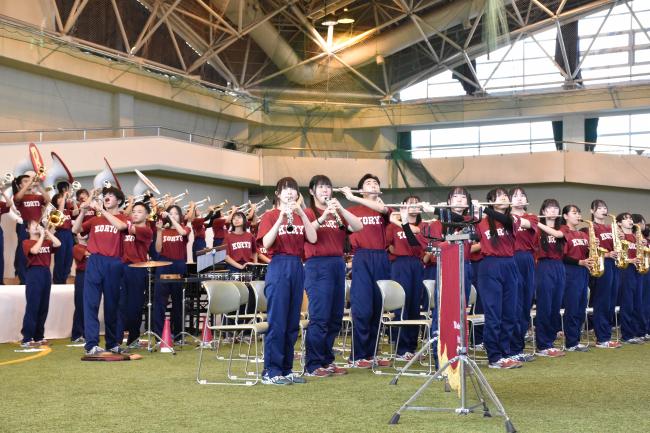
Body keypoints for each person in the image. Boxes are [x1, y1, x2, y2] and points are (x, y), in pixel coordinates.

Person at [256, 177, 317, 385]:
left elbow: (313, 238)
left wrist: (301, 213)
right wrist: (281, 217)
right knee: (278, 320)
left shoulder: (302, 215)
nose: (290, 192)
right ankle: (271, 370)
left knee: (292, 321)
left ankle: (286, 368)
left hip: (298, 265)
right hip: (279, 265)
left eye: (293, 189)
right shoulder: (270, 215)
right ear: (278, 194)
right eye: (285, 189)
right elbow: (266, 242)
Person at [303, 175, 362, 378]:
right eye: (320, 187)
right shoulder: (307, 212)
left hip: (337, 264)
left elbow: (357, 227)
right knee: (320, 317)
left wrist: (341, 209)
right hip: (317, 265)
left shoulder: (337, 212)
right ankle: (313, 364)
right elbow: (306, 232)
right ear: (312, 191)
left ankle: (327, 360)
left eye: (328, 187)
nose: (325, 191)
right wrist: (322, 217)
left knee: (335, 317)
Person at [475, 188, 532, 369]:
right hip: (490, 266)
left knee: (510, 313)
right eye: (499, 196)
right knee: (494, 313)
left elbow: (506, 220)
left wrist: (484, 208)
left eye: (505, 196)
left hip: (510, 264)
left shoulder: (512, 219)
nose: (504, 198)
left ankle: (506, 353)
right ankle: (494, 356)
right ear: (491, 200)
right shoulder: (481, 222)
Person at [339, 174, 392, 369]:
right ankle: (358, 355)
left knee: (378, 307)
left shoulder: (383, 210)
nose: (372, 185)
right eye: (368, 183)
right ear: (361, 189)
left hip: (381, 258)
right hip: (362, 257)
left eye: (376, 183)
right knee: (362, 308)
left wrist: (352, 196)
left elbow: (383, 209)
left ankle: (371, 354)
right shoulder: (352, 210)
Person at [72, 186, 128, 355]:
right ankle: (91, 344)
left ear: (118, 201)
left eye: (111, 195)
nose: (107, 197)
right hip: (95, 261)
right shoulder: (95, 220)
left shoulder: (123, 217)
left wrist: (102, 211)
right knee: (91, 304)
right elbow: (75, 230)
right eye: (105, 195)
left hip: (114, 263)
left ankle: (112, 343)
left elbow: (120, 226)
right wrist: (83, 211)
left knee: (112, 305)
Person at [386, 196, 426, 361]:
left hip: (416, 264)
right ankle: (401, 348)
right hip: (400, 264)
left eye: (417, 202)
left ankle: (411, 346)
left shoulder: (423, 226)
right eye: (410, 203)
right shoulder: (392, 227)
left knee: (415, 305)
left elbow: (419, 244)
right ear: (403, 206)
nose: (414, 205)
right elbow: (388, 244)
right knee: (402, 304)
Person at [508, 187, 538, 363]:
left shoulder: (531, 217)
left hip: (527, 260)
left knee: (525, 304)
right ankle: (510, 348)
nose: (519, 199)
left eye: (522, 196)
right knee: (513, 304)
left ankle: (517, 347)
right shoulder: (503, 219)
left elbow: (524, 224)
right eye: (515, 196)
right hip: (510, 258)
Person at [20, 220, 61, 347]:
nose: (37, 226)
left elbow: (58, 243)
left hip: (45, 273)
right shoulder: (26, 242)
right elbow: (35, 251)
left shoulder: (47, 242)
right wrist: (42, 236)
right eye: (33, 225)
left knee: (43, 307)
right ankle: (27, 338)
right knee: (33, 306)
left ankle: (38, 336)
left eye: (38, 224)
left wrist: (47, 232)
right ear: (27, 230)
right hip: (34, 273)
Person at [153, 205, 191, 342]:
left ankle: (179, 335)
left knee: (178, 303)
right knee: (159, 303)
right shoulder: (164, 231)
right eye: (170, 213)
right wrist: (158, 231)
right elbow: (158, 249)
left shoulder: (185, 227)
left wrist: (170, 218)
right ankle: (159, 336)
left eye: (176, 213)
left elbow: (182, 232)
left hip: (178, 265)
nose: (172, 215)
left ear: (180, 216)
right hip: (163, 265)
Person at [534, 199, 566, 357]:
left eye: (555, 208)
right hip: (544, 266)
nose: (553, 210)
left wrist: (536, 222)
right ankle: (543, 344)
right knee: (545, 306)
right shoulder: (536, 230)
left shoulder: (563, 228)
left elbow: (558, 235)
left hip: (559, 266)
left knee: (555, 306)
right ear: (543, 211)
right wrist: (535, 223)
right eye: (549, 208)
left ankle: (550, 341)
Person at [119, 201, 153, 349]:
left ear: (147, 215)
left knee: (134, 307)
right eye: (133, 211)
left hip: (137, 269)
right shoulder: (124, 228)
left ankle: (133, 339)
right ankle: (116, 340)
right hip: (121, 268)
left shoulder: (146, 230)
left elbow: (130, 228)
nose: (135, 213)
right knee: (119, 305)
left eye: (139, 211)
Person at [589, 200, 622, 348]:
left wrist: (620, 241)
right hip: (602, 263)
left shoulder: (611, 227)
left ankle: (606, 335)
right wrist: (608, 254)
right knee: (602, 301)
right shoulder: (591, 228)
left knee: (611, 301)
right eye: (599, 208)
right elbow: (591, 249)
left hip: (614, 264)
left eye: (604, 207)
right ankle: (601, 338)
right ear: (592, 211)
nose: (603, 210)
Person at [13, 173, 50, 284]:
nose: (29, 182)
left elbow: (48, 200)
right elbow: (18, 198)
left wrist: (38, 186)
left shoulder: (37, 196)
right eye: (25, 181)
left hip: (38, 226)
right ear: (19, 185)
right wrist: (30, 182)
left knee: (41, 250)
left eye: (29, 180)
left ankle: (38, 278)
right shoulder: (19, 196)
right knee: (23, 252)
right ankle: (24, 279)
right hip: (24, 225)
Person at [616, 212, 645, 344]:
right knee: (627, 303)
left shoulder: (635, 236)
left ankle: (636, 332)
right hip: (625, 270)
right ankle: (627, 335)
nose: (629, 220)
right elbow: (619, 256)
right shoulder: (619, 236)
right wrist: (631, 260)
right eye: (625, 218)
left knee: (637, 303)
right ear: (619, 223)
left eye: (630, 218)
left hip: (637, 271)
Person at [51, 192, 75, 284]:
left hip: (69, 234)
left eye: (62, 197)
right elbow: (59, 213)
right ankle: (57, 280)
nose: (62, 199)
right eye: (59, 198)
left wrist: (73, 202)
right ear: (55, 201)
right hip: (60, 234)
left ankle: (64, 278)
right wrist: (64, 196)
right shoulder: (54, 211)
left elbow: (76, 212)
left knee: (69, 258)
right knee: (60, 258)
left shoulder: (67, 210)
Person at [70, 233, 89, 343]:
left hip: (91, 275)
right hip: (82, 275)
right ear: (76, 236)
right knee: (80, 305)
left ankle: (86, 333)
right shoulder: (77, 247)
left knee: (89, 305)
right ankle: (77, 334)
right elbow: (88, 254)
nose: (82, 233)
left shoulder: (91, 245)